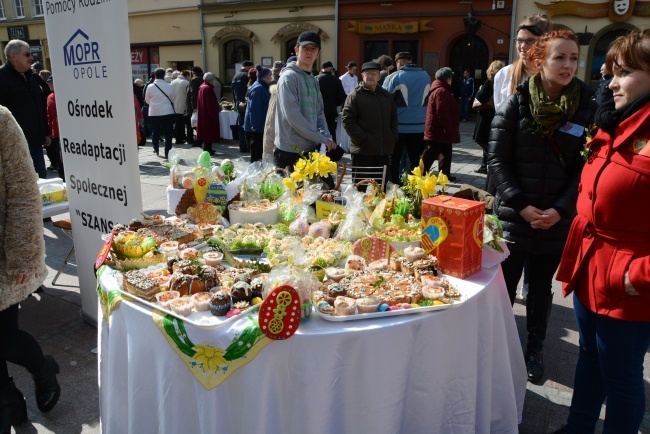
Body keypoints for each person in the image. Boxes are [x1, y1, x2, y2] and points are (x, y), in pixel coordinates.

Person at [554, 29, 650, 434]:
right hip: (592, 264)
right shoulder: (613, 120)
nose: (610, 83)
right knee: (589, 358)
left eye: (623, 72)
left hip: (628, 281)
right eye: (609, 72)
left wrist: (638, 275)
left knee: (622, 378)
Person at [488, 29, 597, 384]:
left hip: (555, 219)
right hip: (516, 216)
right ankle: (496, 348)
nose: (568, 65)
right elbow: (496, 159)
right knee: (503, 286)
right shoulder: (517, 104)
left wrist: (561, 211)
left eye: (573, 58)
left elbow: (587, 167)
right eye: (559, 58)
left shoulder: (587, 106)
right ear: (539, 61)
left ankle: (534, 349)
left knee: (540, 288)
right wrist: (520, 206)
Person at [0, 106, 61, 434]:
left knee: (6, 339)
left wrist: (24, 256)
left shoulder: (1, 120)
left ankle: (42, 370)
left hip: (3, 257)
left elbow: (24, 192)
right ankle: (8, 400)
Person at [274, 31, 337, 169]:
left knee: (314, 190)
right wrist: (321, 138)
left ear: (318, 53)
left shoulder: (313, 80)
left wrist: (327, 135)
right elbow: (293, 117)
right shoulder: (288, 78)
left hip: (310, 148)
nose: (309, 52)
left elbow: (319, 112)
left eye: (313, 49)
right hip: (289, 150)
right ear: (297, 50)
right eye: (305, 48)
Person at [0, 40, 51, 179]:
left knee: (41, 180)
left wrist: (46, 131)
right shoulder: (2, 77)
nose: (31, 58)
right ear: (14, 56)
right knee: (23, 185)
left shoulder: (31, 77)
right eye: (27, 54)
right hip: (14, 146)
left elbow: (40, 106)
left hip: (36, 143)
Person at [342, 61, 398, 184]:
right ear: (362, 76)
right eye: (367, 73)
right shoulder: (355, 96)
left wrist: (392, 136)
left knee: (381, 188)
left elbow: (394, 117)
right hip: (363, 151)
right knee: (360, 189)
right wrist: (363, 138)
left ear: (379, 76)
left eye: (374, 73)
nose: (370, 76)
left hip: (383, 150)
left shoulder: (386, 96)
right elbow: (347, 119)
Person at [383, 51, 432, 184]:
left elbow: (385, 99)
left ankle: (394, 187)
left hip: (399, 126)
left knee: (394, 158)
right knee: (415, 159)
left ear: (399, 62)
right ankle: (414, 187)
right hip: (419, 126)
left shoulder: (395, 76)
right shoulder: (426, 76)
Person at [494, 14, 553, 110]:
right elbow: (499, 113)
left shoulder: (552, 75)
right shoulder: (503, 74)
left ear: (544, 42)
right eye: (519, 40)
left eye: (530, 40)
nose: (523, 46)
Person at [421, 67, 460, 177]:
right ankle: (419, 173)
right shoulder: (441, 91)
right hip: (439, 130)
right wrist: (448, 129)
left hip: (440, 129)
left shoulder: (441, 90)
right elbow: (442, 113)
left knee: (446, 152)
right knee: (431, 153)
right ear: (448, 79)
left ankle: (444, 176)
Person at [472, 60, 505, 174]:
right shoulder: (503, 83)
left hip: (486, 116)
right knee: (488, 141)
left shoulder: (490, 83)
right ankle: (484, 165)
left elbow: (478, 96)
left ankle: (490, 163)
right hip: (496, 116)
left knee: (482, 140)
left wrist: (482, 88)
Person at [145, 68, 176, 158]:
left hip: (154, 112)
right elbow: (173, 99)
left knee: (155, 131)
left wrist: (154, 104)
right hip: (168, 111)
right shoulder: (169, 86)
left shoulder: (150, 86)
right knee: (168, 132)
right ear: (164, 75)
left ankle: (156, 148)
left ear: (155, 75)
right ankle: (167, 151)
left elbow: (147, 100)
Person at [244, 66, 272, 162]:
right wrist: (255, 126)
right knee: (256, 153)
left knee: (258, 152)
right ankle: (255, 172)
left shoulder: (261, 87)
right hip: (257, 127)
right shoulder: (258, 88)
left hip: (259, 125)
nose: (271, 78)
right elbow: (255, 109)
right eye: (270, 76)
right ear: (266, 78)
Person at [316, 61, 346, 143]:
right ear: (331, 69)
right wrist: (335, 104)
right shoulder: (336, 80)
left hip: (317, 110)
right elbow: (342, 97)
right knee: (331, 131)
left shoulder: (315, 79)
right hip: (331, 110)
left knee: (317, 131)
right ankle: (332, 152)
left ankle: (318, 151)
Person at [196, 72, 221, 156]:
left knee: (207, 132)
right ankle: (207, 148)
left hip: (204, 113)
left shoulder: (202, 86)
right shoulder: (207, 88)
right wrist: (213, 115)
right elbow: (209, 104)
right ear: (211, 80)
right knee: (209, 132)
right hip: (208, 115)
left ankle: (208, 148)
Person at [232, 60, 254, 153]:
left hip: (238, 103)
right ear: (248, 67)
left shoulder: (235, 76)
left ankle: (242, 146)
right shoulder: (246, 76)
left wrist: (235, 101)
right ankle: (247, 146)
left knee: (241, 125)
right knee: (247, 125)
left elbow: (233, 91)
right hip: (245, 103)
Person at [45, 76, 64, 179]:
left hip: (58, 134)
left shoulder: (52, 97)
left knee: (61, 163)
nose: (49, 85)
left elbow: (56, 117)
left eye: (51, 83)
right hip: (56, 134)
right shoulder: (51, 96)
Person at [171, 69, 190, 144]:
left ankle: (178, 139)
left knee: (178, 123)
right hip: (184, 106)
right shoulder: (186, 82)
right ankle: (186, 138)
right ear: (187, 75)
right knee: (187, 124)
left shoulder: (173, 82)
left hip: (175, 105)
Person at [189, 66, 204, 146]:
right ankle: (200, 139)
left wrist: (194, 106)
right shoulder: (203, 78)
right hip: (202, 103)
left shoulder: (194, 79)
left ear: (193, 72)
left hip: (197, 104)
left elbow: (193, 93)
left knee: (196, 124)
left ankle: (198, 140)